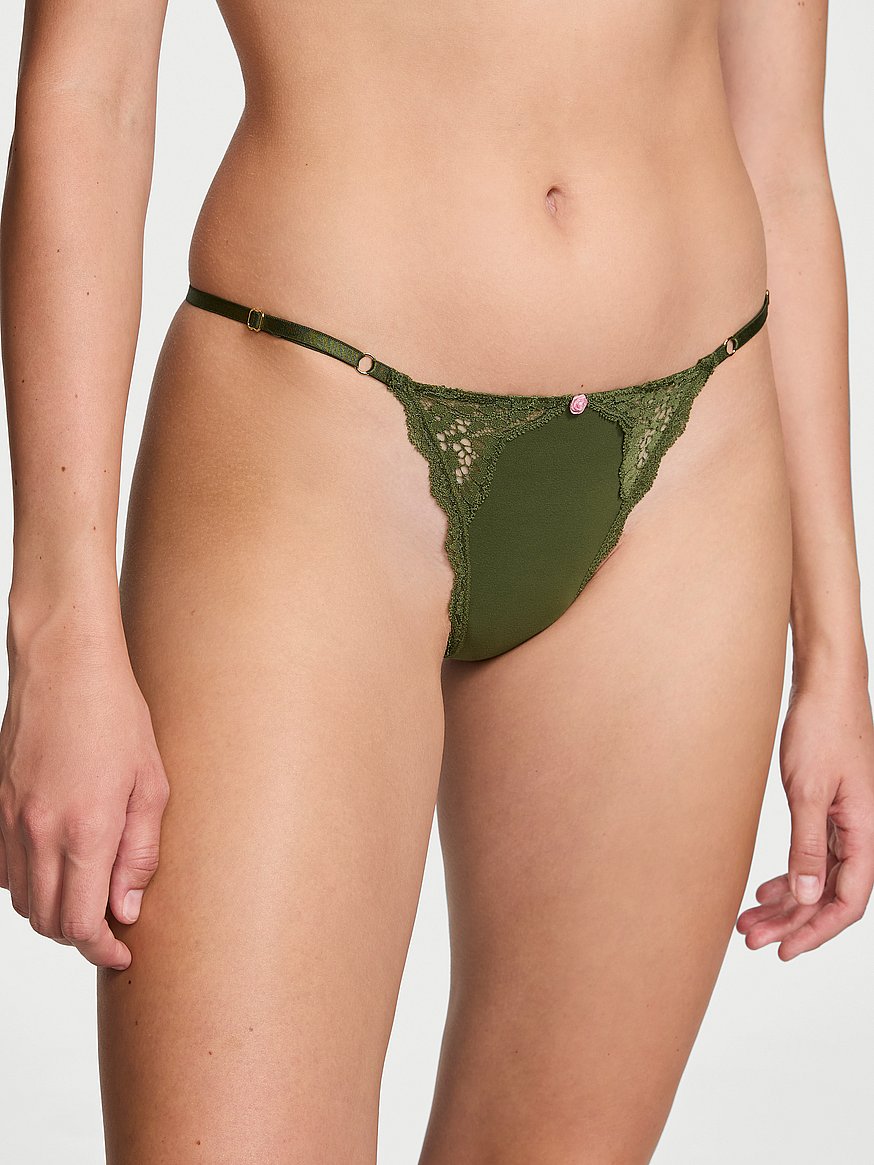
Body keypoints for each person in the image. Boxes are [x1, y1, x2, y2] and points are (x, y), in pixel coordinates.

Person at [1, 0, 872, 1160]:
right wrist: (58, 631)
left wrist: (835, 653)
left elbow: (783, 152)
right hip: (312, 432)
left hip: (693, 468)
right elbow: (86, 97)